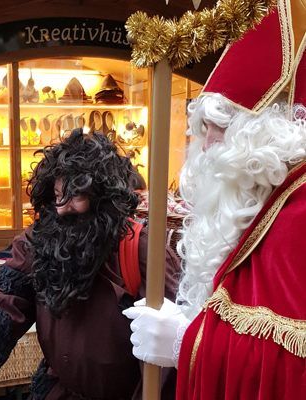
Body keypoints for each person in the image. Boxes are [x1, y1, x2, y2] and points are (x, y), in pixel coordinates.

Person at [125, 1, 306, 398]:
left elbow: (293, 365)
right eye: (201, 127)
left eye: (218, 127)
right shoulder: (259, 201)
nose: (205, 146)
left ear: (270, 134)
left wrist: (186, 343)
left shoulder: (299, 214)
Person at [0, 129, 180, 400]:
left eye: (75, 196)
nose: (61, 208)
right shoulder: (42, 240)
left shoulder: (140, 249)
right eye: (58, 195)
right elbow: (8, 292)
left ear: (102, 197)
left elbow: (168, 350)